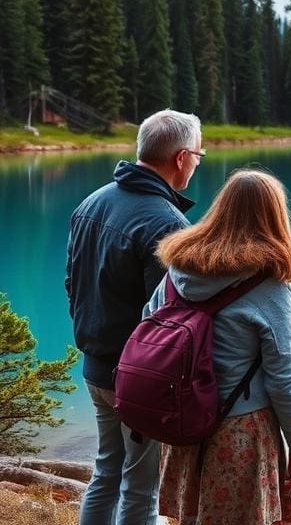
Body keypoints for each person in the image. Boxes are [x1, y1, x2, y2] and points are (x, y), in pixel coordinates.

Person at [147, 169, 291, 525]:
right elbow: (284, 378)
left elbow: (148, 322)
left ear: (220, 209)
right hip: (239, 433)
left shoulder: (177, 267)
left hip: (181, 425)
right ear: (275, 216)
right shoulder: (269, 286)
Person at [66, 109, 202, 525]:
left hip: (95, 366)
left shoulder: (91, 202)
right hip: (139, 378)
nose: (198, 162)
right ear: (181, 158)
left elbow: (72, 283)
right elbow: (170, 321)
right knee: (141, 489)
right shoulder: (167, 224)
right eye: (199, 154)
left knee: (107, 469)